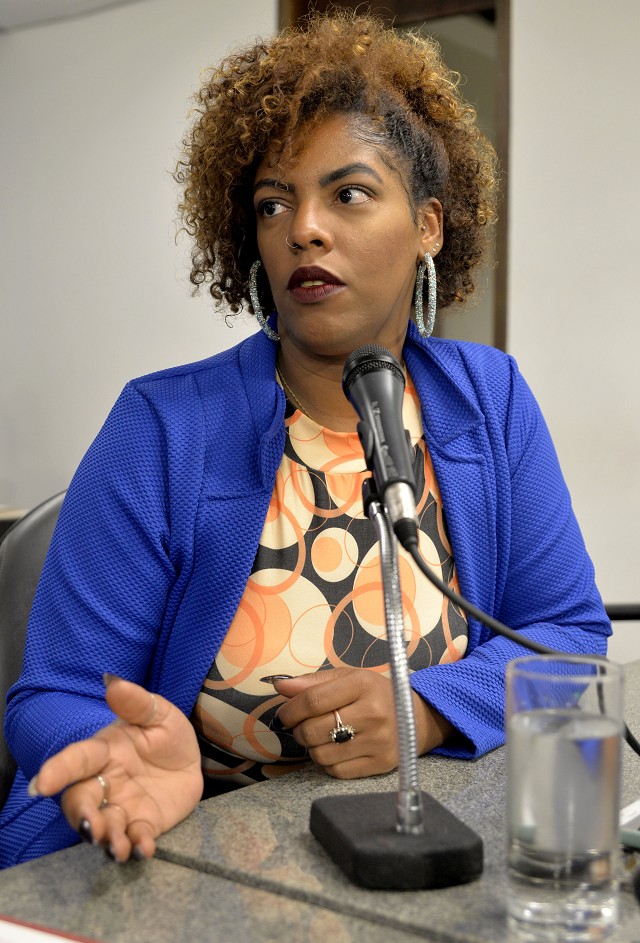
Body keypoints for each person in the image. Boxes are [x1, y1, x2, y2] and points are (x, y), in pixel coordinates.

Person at [0, 12, 609, 869]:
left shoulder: (491, 399)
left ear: (429, 225)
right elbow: (54, 692)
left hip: (418, 841)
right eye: (273, 204)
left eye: (348, 193)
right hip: (177, 852)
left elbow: (568, 635)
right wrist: (118, 761)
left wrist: (428, 709)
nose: (304, 229)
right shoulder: (163, 427)